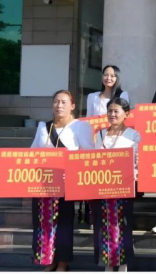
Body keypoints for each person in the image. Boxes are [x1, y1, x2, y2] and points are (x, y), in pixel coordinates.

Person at [30, 90, 94, 271]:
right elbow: (33, 151)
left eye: (64, 102)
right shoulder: (43, 126)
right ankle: (48, 259)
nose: (59, 105)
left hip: (66, 183)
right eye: (56, 102)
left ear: (72, 106)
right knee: (42, 222)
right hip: (43, 182)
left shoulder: (81, 126)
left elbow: (88, 154)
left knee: (63, 223)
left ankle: (63, 261)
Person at [93, 97, 140, 272]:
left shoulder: (133, 135)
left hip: (123, 188)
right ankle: (108, 263)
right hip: (102, 188)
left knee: (122, 226)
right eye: (109, 111)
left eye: (116, 111)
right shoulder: (99, 134)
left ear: (126, 114)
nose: (112, 114)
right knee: (104, 226)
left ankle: (123, 264)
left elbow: (137, 162)